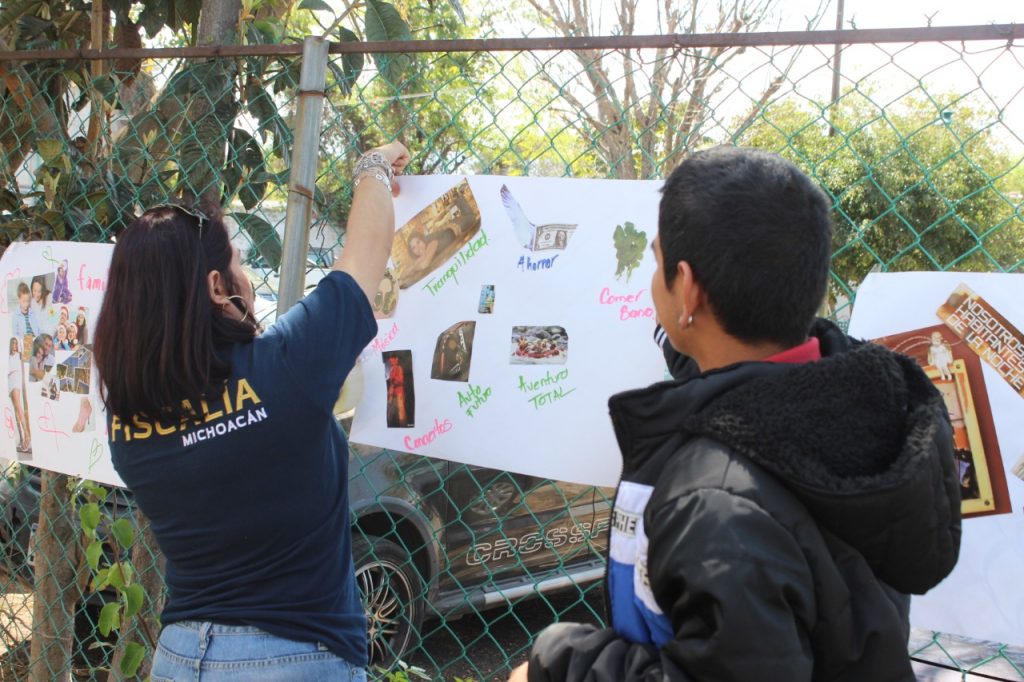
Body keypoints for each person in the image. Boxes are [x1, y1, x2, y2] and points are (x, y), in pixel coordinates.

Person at [513, 146, 961, 682]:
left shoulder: (715, 503)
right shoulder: (859, 398)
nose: (650, 280)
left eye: (656, 263)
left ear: (689, 289)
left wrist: (557, 662)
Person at [93, 141, 409, 680]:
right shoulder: (285, 366)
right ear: (216, 287)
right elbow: (363, 258)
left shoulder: (124, 423)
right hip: (295, 657)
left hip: (178, 657)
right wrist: (373, 167)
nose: (246, 278)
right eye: (238, 263)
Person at [7, 337, 29, 454]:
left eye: (16, 343)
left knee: (18, 406)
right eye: (13, 343)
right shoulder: (8, 355)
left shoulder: (19, 355)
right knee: (15, 409)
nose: (14, 345)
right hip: (9, 380)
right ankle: (21, 436)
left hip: (15, 378)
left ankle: (26, 434)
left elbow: (27, 343)